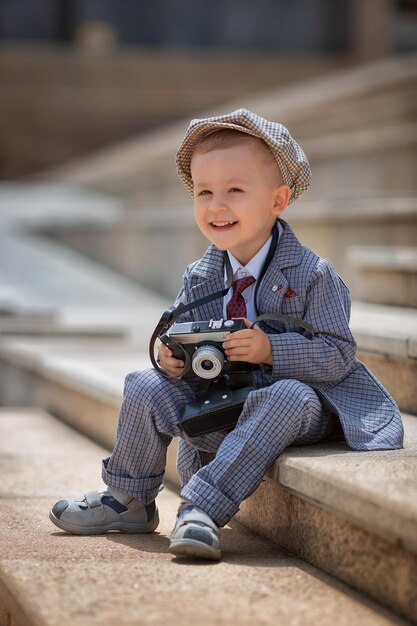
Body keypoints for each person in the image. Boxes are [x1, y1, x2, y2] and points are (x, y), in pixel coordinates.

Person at [49, 108, 404, 561]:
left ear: (277, 201)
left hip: (300, 405)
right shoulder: (201, 274)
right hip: (224, 399)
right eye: (204, 192)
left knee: (288, 396)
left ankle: (201, 507)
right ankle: (129, 498)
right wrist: (169, 356)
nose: (217, 206)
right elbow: (175, 330)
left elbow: (338, 355)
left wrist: (271, 349)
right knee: (144, 383)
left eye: (235, 190)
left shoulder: (315, 274)